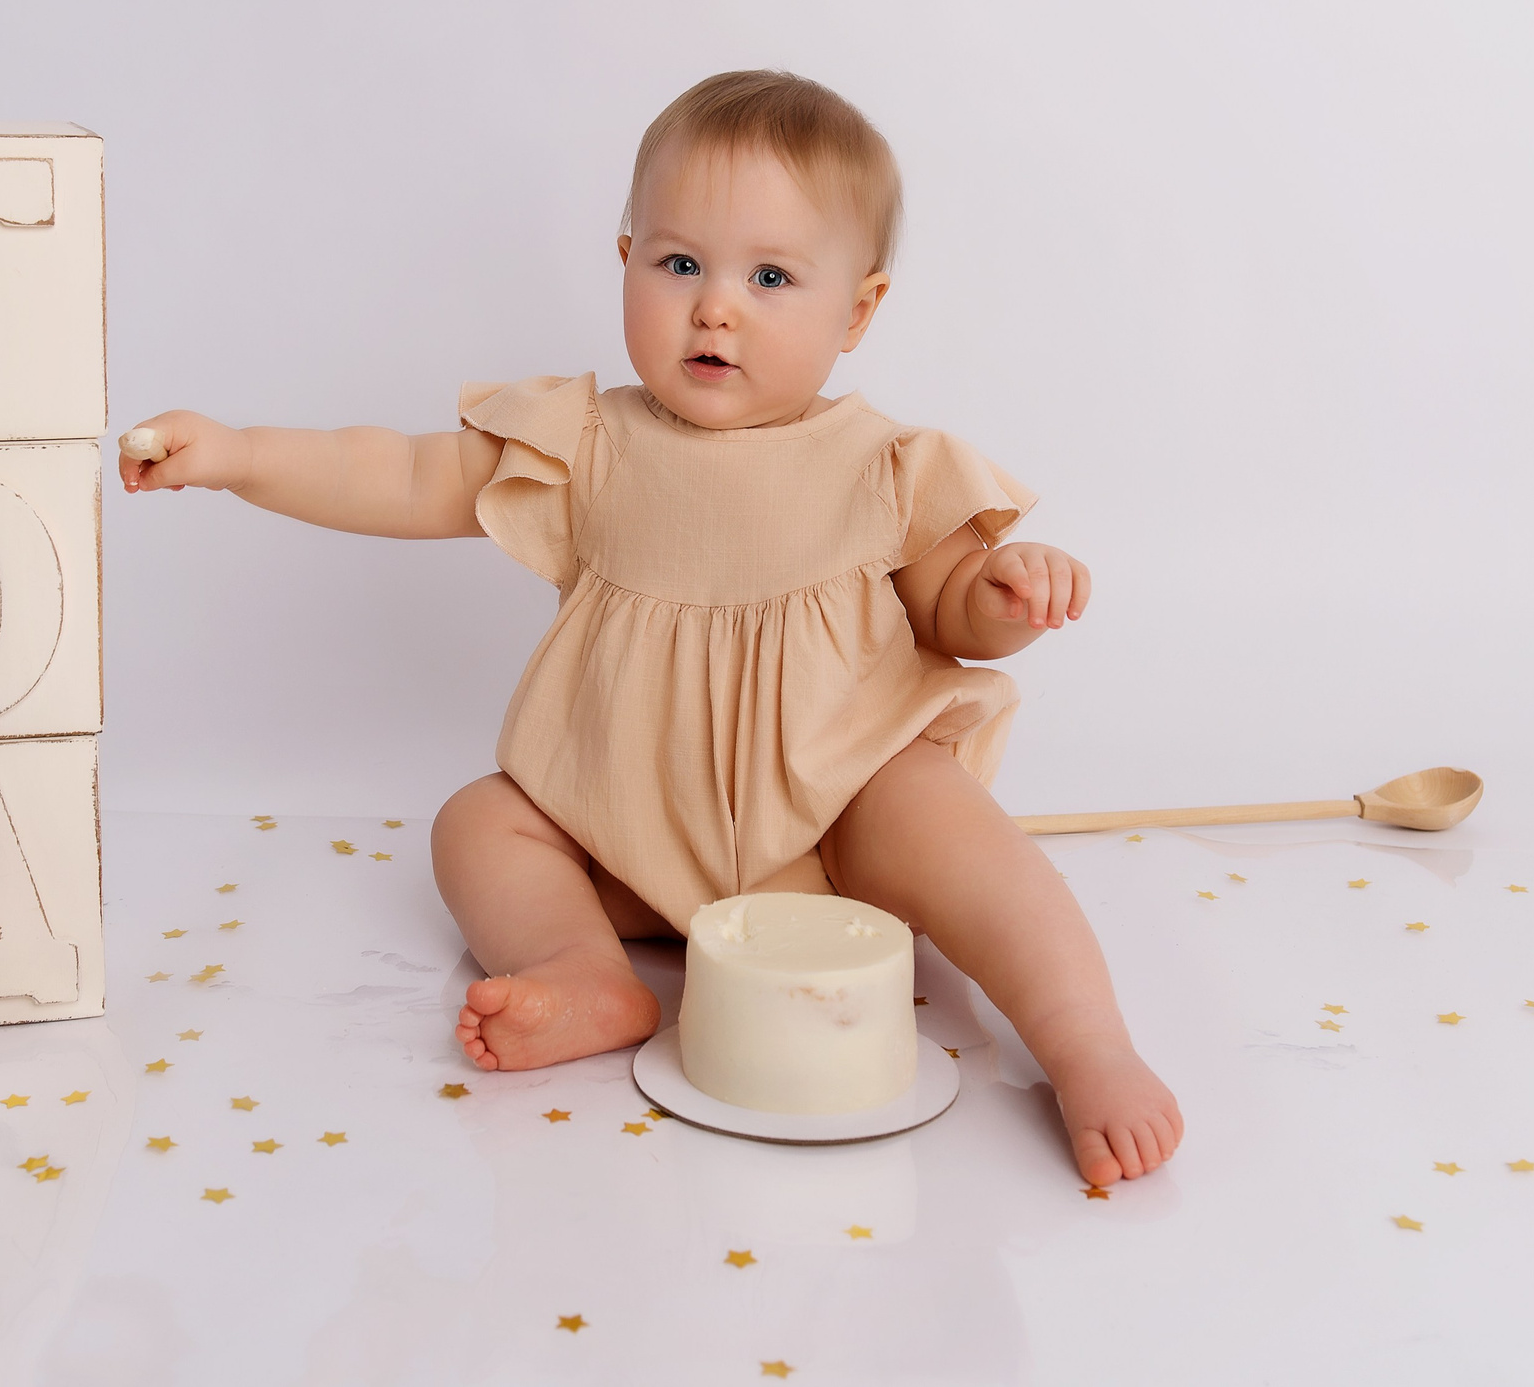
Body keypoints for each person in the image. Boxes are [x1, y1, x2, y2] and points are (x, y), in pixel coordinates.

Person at [121, 71, 1181, 1186]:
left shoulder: (882, 464)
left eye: (770, 276)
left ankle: (1086, 1042)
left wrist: (1006, 592)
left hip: (836, 823)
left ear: (857, 310)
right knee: (481, 823)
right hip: (629, 825)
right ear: (624, 256)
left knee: (957, 833)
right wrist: (239, 453)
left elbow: (951, 609)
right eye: (679, 264)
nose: (714, 306)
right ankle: (584, 970)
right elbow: (398, 470)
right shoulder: (586, 440)